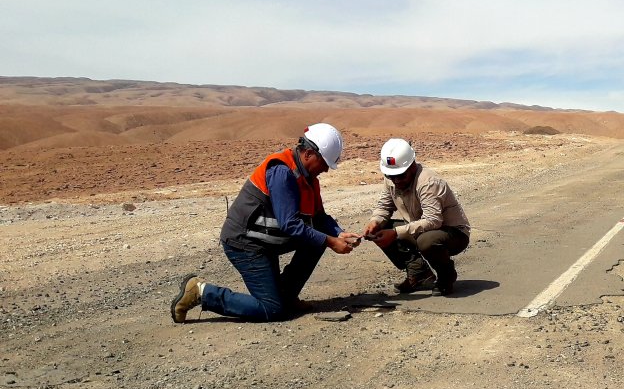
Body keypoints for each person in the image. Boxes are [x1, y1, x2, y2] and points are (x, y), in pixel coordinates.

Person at [171, 123, 363, 323]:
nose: (326, 169)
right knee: (271, 309)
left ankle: (286, 297)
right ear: (308, 154)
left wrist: (338, 233)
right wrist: (331, 242)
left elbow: (319, 217)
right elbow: (290, 225)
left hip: (266, 241)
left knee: (318, 241)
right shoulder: (282, 172)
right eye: (324, 163)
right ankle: (202, 292)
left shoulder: (308, 177)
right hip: (245, 243)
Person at [363, 137, 471, 295]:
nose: (396, 181)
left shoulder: (428, 182)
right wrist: (375, 221)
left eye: (401, 176)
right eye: (391, 176)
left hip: (453, 233)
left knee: (426, 241)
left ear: (412, 165)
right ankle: (419, 273)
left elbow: (433, 220)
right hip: (421, 228)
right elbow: (384, 206)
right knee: (380, 229)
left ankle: (446, 276)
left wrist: (395, 233)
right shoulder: (392, 179)